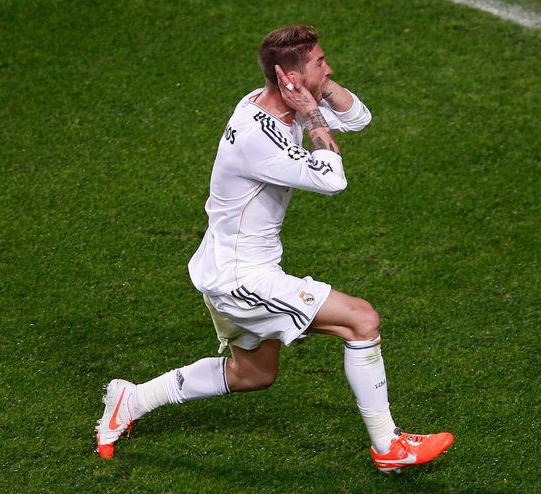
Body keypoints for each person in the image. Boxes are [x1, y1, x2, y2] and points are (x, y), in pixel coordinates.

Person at [95, 24, 454, 473]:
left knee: (254, 374)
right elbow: (332, 179)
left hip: (229, 266)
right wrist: (313, 107)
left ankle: (132, 398)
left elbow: (360, 118)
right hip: (242, 276)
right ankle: (389, 446)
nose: (330, 67)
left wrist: (316, 90)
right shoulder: (257, 137)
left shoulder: (264, 101)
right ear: (291, 78)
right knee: (362, 320)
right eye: (321, 62)